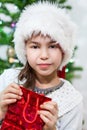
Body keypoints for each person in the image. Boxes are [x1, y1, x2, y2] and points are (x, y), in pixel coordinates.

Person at [0, 1, 83, 130]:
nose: (44, 55)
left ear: (63, 50)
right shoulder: (7, 80)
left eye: (52, 46)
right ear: (25, 50)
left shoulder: (72, 102)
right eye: (35, 46)